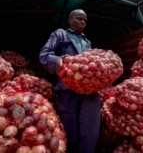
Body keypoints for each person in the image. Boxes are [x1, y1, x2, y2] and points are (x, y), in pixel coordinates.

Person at [39, 9, 101, 153]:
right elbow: (44, 54)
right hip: (67, 89)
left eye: (85, 20)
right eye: (79, 19)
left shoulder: (87, 41)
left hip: (88, 90)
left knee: (89, 130)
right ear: (69, 20)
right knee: (70, 130)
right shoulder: (60, 34)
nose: (83, 22)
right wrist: (57, 60)